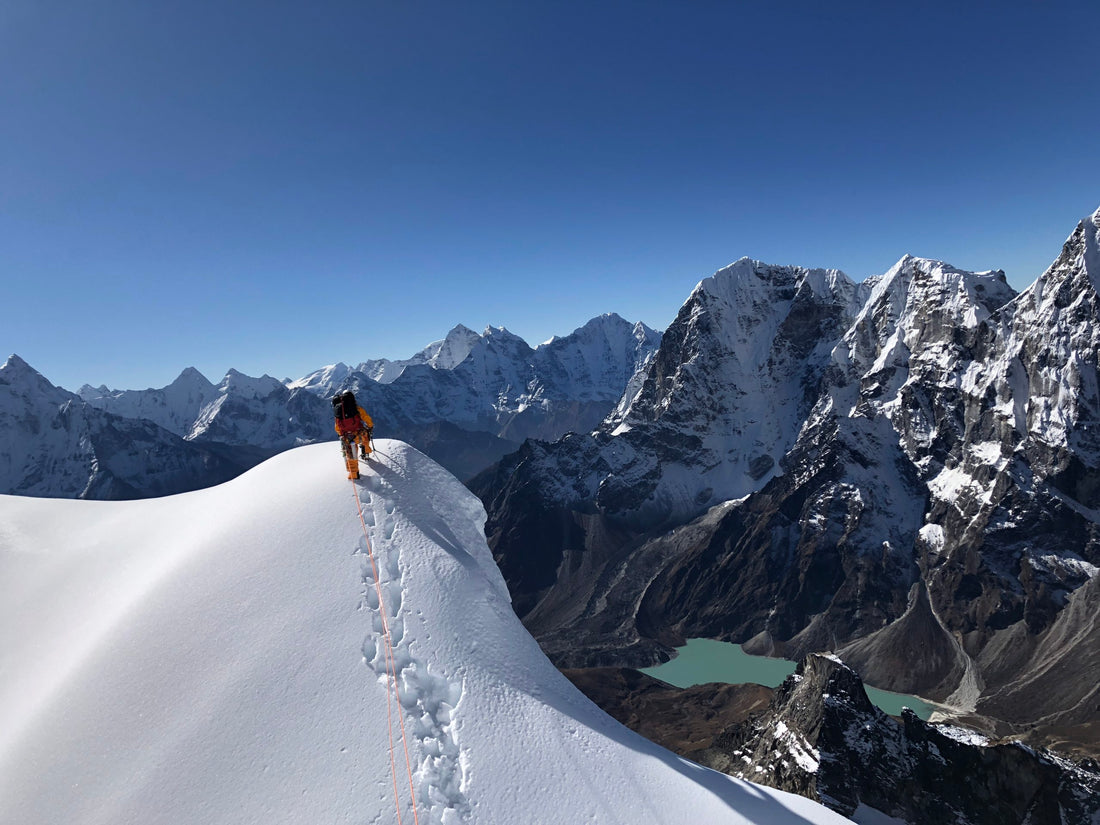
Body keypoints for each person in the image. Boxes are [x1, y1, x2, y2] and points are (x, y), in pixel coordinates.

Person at [332, 390, 374, 478]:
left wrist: (341, 435)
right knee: (366, 437)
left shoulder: (338, 412)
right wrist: (370, 426)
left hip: (346, 437)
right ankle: (366, 453)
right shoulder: (356, 409)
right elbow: (366, 418)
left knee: (350, 454)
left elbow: (337, 427)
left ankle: (354, 474)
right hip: (358, 434)